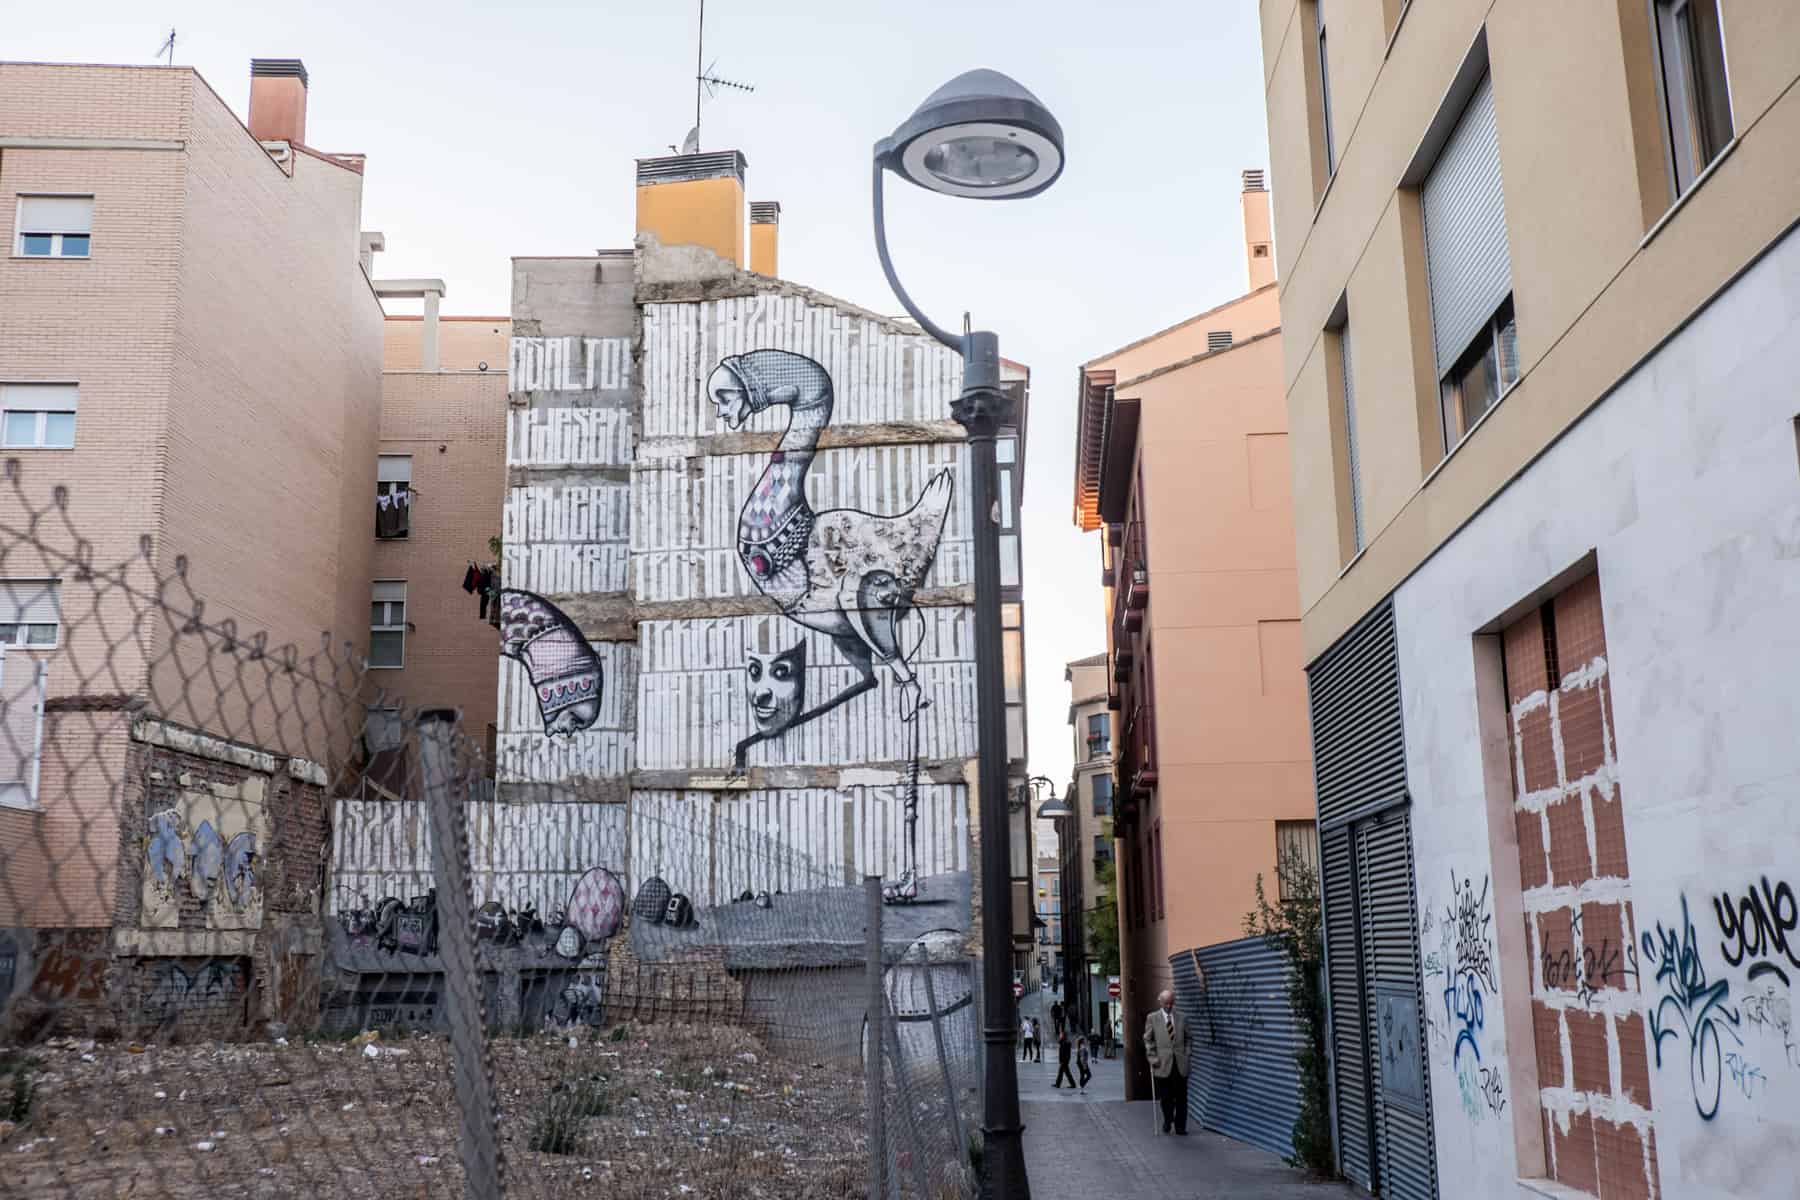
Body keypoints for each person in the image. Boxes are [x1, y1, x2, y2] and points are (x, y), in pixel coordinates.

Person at [1143, 989, 1192, 1135]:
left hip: (1180, 1064)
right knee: (1166, 1098)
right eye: (1166, 1003)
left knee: (1182, 1097)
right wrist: (1152, 1058)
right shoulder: (1153, 1018)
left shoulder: (1182, 1018)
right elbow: (1148, 1039)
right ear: (1160, 1001)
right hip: (1162, 1064)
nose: (1169, 1006)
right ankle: (1168, 1118)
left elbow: (1189, 1038)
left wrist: (1187, 1053)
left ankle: (1180, 1127)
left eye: (1171, 1003)